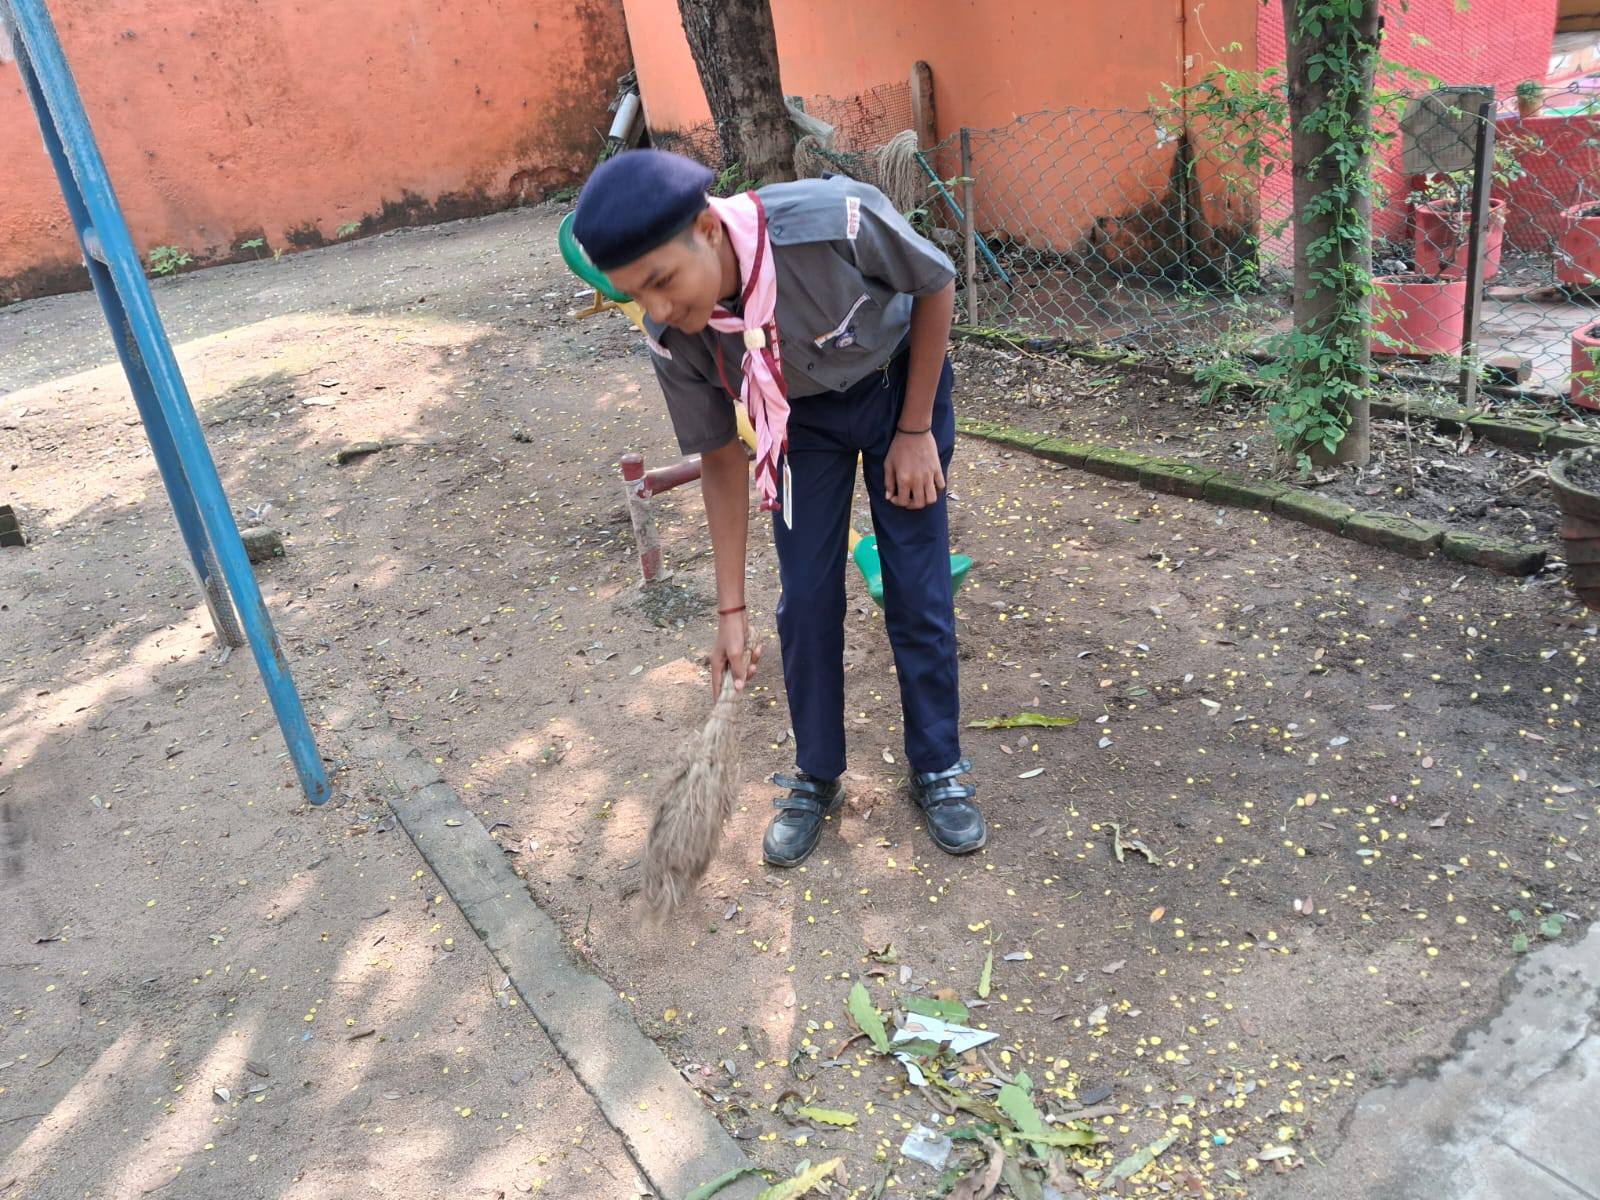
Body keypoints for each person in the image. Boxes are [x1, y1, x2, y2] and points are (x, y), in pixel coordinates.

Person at [573, 149, 984, 866]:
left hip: (896, 389)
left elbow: (935, 284)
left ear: (705, 228)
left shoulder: (833, 221)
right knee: (805, 601)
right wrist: (730, 613)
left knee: (917, 587)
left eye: (663, 281)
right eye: (639, 296)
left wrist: (915, 430)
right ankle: (816, 774)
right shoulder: (671, 335)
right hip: (795, 423)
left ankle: (938, 767)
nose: (661, 308)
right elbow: (722, 459)